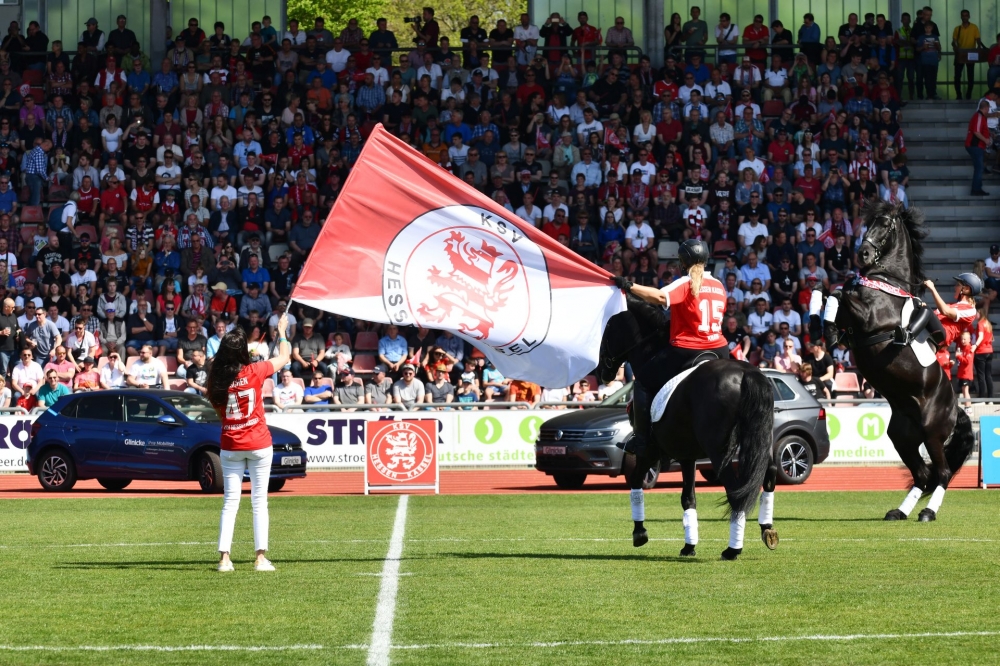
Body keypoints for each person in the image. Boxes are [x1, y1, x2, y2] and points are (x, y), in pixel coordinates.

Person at [614, 240, 729, 454]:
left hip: (687, 349)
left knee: (642, 383)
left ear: (683, 262)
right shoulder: (719, 285)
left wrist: (629, 286)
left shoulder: (684, 283)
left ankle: (641, 440)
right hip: (719, 349)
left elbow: (659, 297)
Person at [208, 311, 291, 573]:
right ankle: (260, 558)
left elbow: (219, 410)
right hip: (258, 442)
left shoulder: (216, 377)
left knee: (230, 502)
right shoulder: (255, 370)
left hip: (231, 443)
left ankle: (224, 559)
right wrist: (282, 332)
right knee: (259, 501)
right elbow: (285, 356)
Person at [924, 274, 980, 348]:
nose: (955, 287)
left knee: (927, 310)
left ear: (966, 289)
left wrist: (932, 289)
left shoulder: (971, 310)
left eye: (958, 285)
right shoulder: (951, 305)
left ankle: (910, 334)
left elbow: (945, 311)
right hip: (936, 329)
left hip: (942, 334)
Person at [966, 99, 991, 196]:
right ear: (986, 108)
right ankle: (976, 189)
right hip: (975, 145)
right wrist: (985, 140)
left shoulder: (979, 116)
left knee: (979, 167)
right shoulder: (979, 116)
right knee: (979, 168)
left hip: (976, 145)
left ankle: (976, 188)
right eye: (988, 109)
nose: (988, 111)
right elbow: (976, 131)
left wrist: (989, 135)